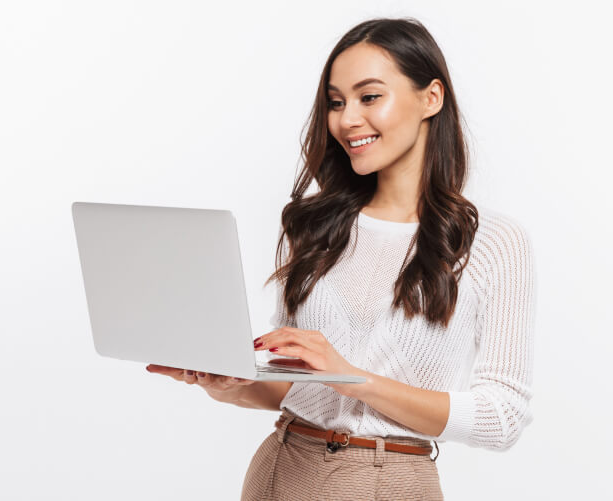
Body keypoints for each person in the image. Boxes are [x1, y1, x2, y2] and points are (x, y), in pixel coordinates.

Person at [146, 17, 535, 500]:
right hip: (282, 468)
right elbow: (293, 388)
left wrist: (354, 379)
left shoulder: (491, 242)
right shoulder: (315, 226)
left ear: (431, 98)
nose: (347, 119)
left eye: (369, 97)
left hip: (390, 479)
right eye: (336, 102)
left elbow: (503, 417)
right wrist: (227, 383)